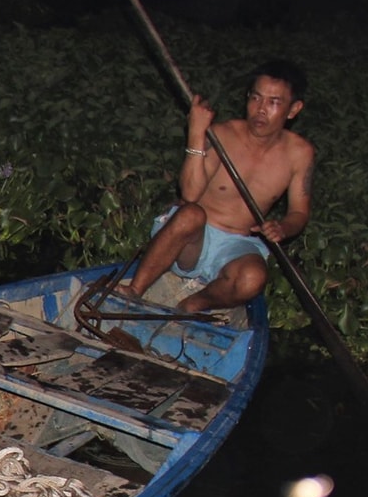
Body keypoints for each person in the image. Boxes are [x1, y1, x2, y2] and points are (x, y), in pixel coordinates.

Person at [120, 60, 314, 313]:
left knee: (253, 278)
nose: (261, 109)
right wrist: (196, 133)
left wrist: (283, 228)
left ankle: (193, 304)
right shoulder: (222, 134)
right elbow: (190, 194)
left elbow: (299, 213)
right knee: (191, 213)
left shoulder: (300, 153)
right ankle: (135, 289)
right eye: (255, 98)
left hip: (237, 246)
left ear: (293, 109)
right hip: (191, 240)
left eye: (273, 102)